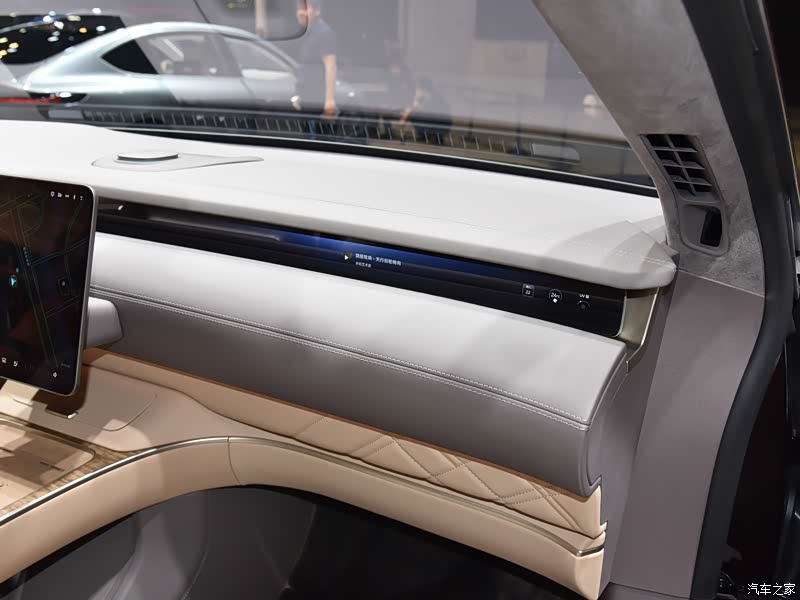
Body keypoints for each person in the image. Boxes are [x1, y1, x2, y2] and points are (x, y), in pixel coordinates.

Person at [295, 0, 338, 116]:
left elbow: (330, 67)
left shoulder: (324, 33)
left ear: (317, 11)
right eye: (299, 9)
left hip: (318, 100)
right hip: (307, 97)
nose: (301, 13)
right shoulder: (306, 32)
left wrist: (329, 100)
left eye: (305, 8)